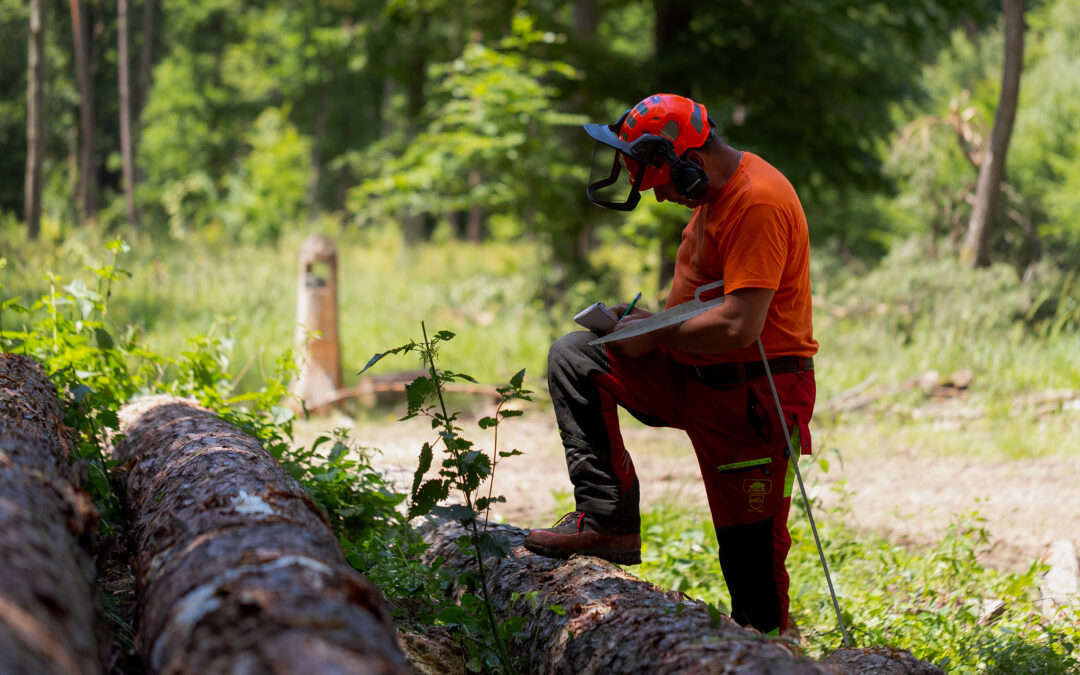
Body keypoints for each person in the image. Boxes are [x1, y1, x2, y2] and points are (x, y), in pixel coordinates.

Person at [523, 93, 818, 637]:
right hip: (692, 374)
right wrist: (638, 326)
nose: (660, 197)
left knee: (750, 568)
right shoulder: (711, 199)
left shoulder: (757, 202)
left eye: (663, 183)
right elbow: (707, 303)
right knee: (577, 357)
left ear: (693, 163)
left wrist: (653, 333)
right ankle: (608, 519)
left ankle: (772, 650)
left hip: (750, 397)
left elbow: (739, 325)